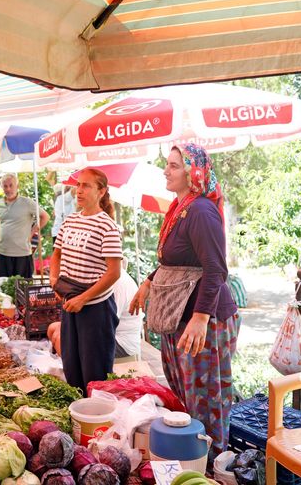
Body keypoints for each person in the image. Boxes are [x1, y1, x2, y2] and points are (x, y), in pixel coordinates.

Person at [129, 143, 239, 459]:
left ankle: (212, 466)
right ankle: (192, 461)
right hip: (181, 318)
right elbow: (174, 258)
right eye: (168, 164)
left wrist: (201, 317)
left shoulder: (202, 211)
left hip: (204, 321)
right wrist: (149, 281)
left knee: (207, 400)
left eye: (175, 165)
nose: (166, 170)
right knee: (188, 398)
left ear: (194, 173)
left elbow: (216, 268)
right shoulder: (181, 207)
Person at [49, 168, 122, 393]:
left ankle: (96, 421)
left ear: (101, 191)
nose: (79, 191)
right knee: (72, 369)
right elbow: (57, 255)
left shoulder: (107, 226)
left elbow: (114, 273)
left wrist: (83, 298)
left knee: (95, 375)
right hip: (70, 304)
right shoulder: (70, 221)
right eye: (78, 185)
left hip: (95, 310)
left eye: (86, 186)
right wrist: (54, 281)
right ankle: (79, 419)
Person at [0, 174, 49, 278]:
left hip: (22, 253)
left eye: (11, 185)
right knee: (4, 288)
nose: (8, 189)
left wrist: (32, 233)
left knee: (23, 288)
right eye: (5, 186)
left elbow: (45, 217)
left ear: (17, 187)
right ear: (2, 187)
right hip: (2, 253)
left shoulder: (27, 203)